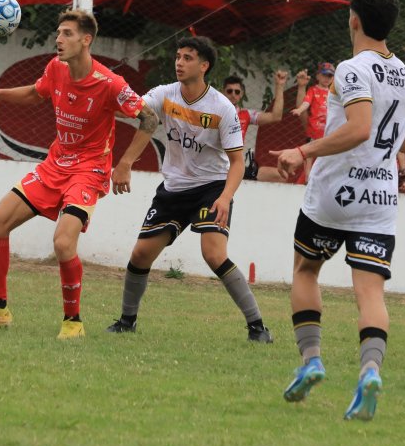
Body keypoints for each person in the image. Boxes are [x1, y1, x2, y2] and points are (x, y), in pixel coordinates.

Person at [271, 0, 405, 421]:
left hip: (336, 192)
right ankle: (370, 372)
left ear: (353, 19)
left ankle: (312, 360)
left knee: (305, 268)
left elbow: (358, 129)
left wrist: (303, 151)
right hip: (379, 197)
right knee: (370, 291)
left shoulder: (351, 69)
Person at [0, 9, 157, 340]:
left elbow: (149, 119)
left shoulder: (110, 84)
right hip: (55, 165)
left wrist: (123, 164)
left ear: (86, 40)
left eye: (66, 33)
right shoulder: (55, 68)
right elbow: (35, 93)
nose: (58, 39)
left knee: (63, 242)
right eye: (58, 33)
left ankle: (73, 322)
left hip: (89, 170)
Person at [105, 36, 277, 343]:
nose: (179, 62)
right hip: (173, 189)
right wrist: (125, 159)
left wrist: (225, 197)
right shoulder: (165, 94)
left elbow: (237, 162)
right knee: (141, 254)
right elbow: (142, 115)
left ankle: (258, 328)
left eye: (187, 58)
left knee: (213, 254)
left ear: (204, 66)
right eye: (178, 56)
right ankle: (126, 322)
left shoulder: (223, 108)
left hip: (211, 188)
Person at [222, 73, 287, 181]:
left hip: (236, 168)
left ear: (241, 94)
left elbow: (276, 116)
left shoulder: (246, 115)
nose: (233, 94)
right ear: (223, 92)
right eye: (229, 91)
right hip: (215, 168)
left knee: (280, 175)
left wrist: (279, 86)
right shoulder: (214, 113)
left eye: (237, 92)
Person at [291, 62, 335, 183]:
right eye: (324, 75)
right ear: (317, 76)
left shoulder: (334, 94)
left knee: (324, 159)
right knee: (309, 157)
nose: (327, 78)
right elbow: (306, 102)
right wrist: (299, 110)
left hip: (327, 133)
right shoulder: (313, 90)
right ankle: (307, 178)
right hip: (314, 131)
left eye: (330, 76)